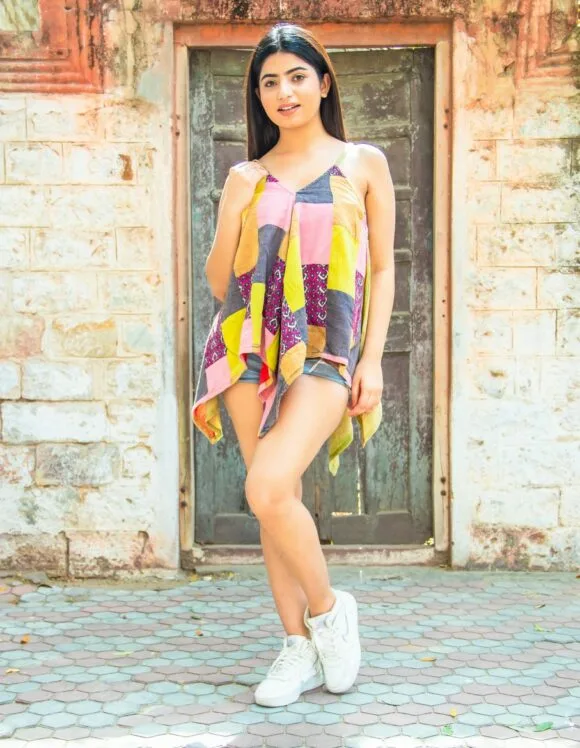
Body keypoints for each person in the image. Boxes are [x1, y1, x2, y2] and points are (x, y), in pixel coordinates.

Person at [192, 22, 396, 708]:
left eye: (297, 77)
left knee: (269, 484)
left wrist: (373, 358)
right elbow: (221, 280)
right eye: (270, 82)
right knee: (271, 499)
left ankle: (330, 613)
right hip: (246, 345)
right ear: (259, 96)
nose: (284, 92)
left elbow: (384, 267)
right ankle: (296, 646)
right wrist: (234, 206)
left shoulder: (363, 163)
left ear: (324, 82)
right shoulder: (245, 175)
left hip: (323, 347)